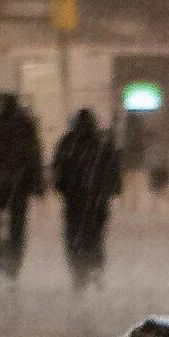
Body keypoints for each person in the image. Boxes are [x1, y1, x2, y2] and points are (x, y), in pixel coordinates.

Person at [52, 108, 122, 287]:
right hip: (97, 199)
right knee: (95, 234)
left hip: (75, 199)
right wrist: (113, 188)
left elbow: (58, 167)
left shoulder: (69, 142)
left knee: (74, 234)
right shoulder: (102, 143)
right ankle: (95, 265)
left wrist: (61, 187)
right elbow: (113, 168)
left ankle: (79, 270)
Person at [0, 94, 45, 276]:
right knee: (17, 226)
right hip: (18, 183)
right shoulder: (26, 125)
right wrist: (37, 184)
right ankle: (14, 263)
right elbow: (34, 155)